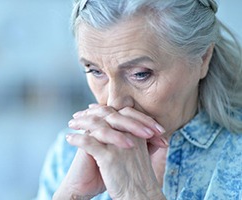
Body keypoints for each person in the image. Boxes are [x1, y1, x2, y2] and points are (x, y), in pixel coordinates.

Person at [37, 0, 242, 199]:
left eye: (140, 74)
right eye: (95, 71)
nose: (113, 103)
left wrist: (137, 195)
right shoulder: (68, 154)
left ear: (203, 58)